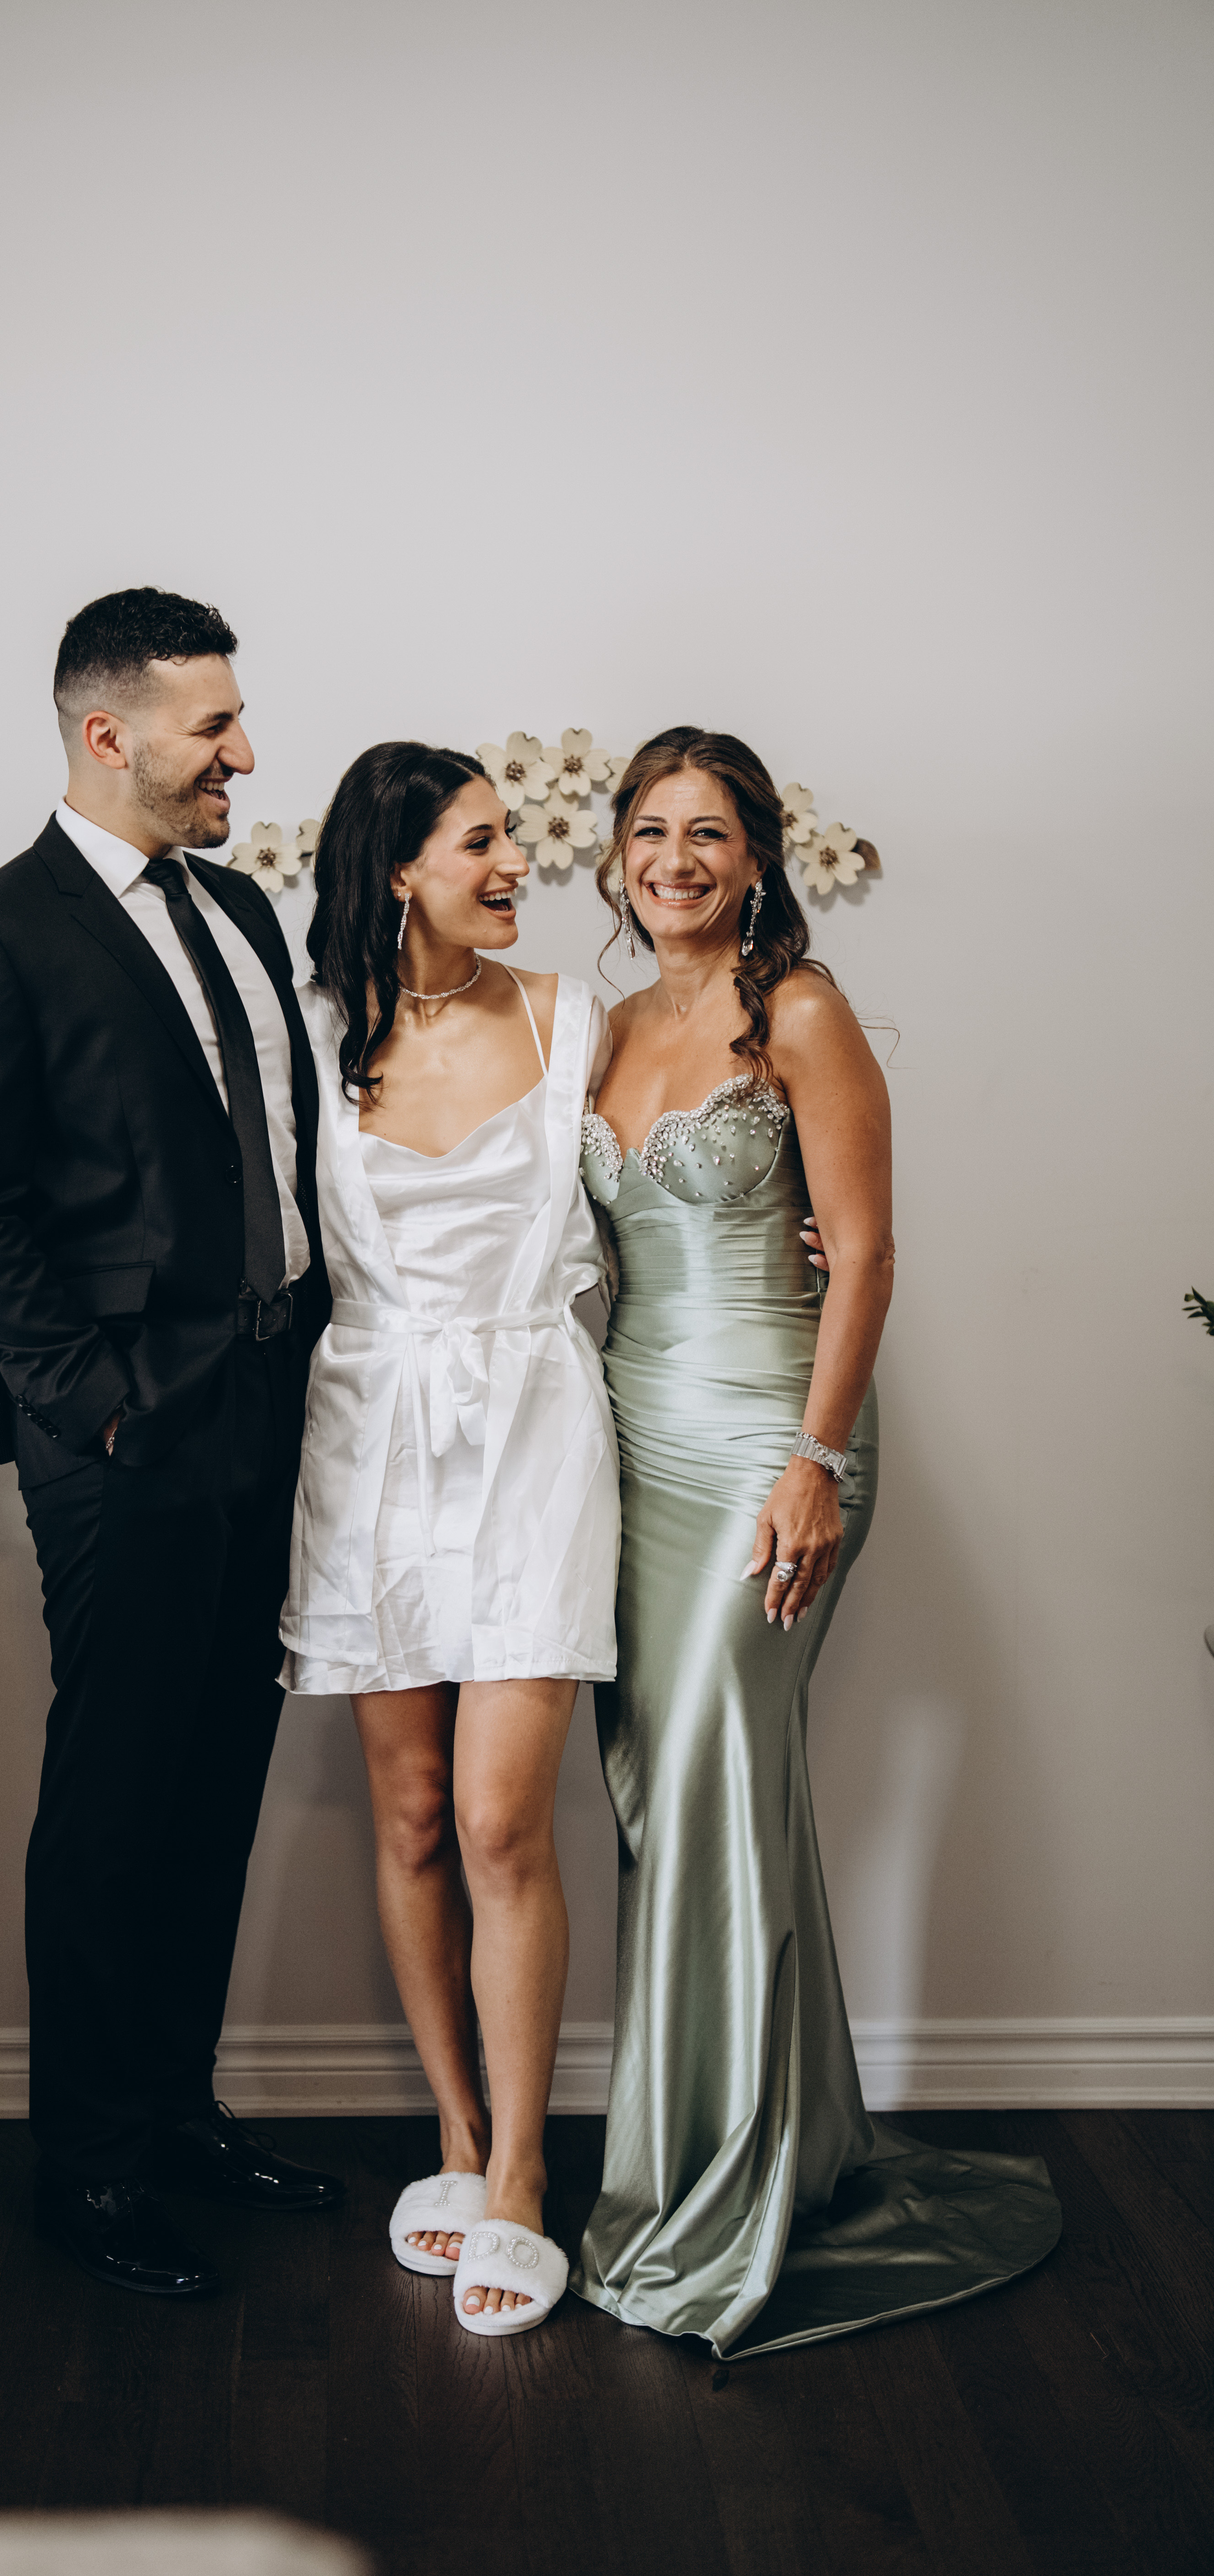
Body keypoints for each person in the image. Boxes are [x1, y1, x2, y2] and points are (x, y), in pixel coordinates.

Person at [572, 726, 1060, 2354]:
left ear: (758, 858)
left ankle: (716, 2197)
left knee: (719, 1769)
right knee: (678, 1796)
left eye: (709, 833)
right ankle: (764, 2141)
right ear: (618, 855)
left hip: (770, 1441)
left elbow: (867, 1256)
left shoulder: (801, 1012)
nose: (677, 860)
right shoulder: (605, 1030)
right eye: (653, 830)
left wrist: (816, 1462)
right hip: (631, 1448)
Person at [0, 588, 343, 2302]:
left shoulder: (239, 907)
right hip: (125, 1434)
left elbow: (287, 1152)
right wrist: (97, 1402)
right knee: (116, 1797)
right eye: (214, 725)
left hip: (275, 1405)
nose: (246, 752)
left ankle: (173, 2111)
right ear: (111, 734)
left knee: (220, 1778)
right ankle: (88, 2167)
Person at [281, 743, 621, 2338]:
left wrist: (799, 1232)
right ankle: (459, 2140)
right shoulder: (305, 1038)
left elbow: (675, 1175)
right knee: (414, 1814)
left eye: (513, 838)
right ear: (399, 866)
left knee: (500, 1823)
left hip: (537, 1435)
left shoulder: (572, 1021)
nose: (516, 867)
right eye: (482, 843)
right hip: (369, 1443)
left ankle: (528, 2180)